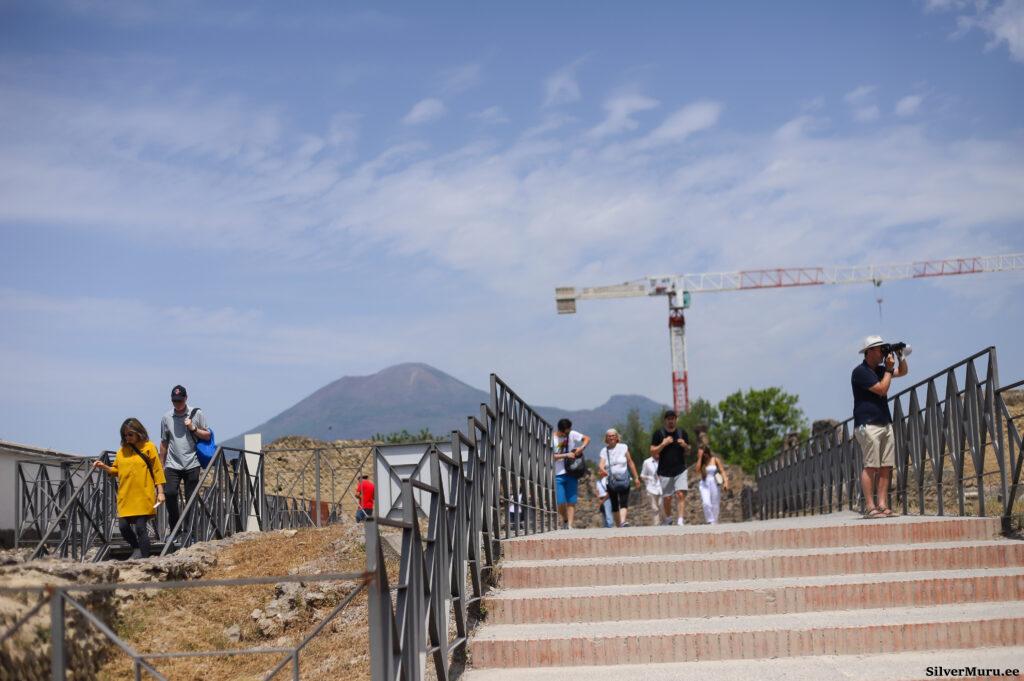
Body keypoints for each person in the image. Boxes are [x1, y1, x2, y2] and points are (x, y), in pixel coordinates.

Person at [852, 335, 908, 519]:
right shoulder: (860, 372)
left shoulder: (881, 370)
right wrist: (889, 369)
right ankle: (870, 507)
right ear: (869, 351)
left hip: (884, 423)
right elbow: (882, 389)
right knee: (871, 466)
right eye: (880, 349)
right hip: (868, 425)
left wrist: (901, 356)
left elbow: (903, 371)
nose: (883, 352)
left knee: (885, 466)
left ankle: (882, 505)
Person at [94, 418, 166, 559]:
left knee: (140, 527)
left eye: (130, 434)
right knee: (123, 526)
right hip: (125, 495)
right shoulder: (122, 451)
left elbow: (157, 470)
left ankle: (144, 558)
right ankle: (136, 548)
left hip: (143, 494)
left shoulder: (149, 447)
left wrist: (160, 492)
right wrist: (104, 466)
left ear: (139, 432)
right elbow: (116, 470)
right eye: (125, 435)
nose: (127, 438)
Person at [159, 385, 210, 535]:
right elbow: (164, 442)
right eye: (175, 401)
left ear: (186, 398)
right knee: (170, 493)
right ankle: (175, 528)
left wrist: (193, 428)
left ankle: (189, 532)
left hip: (192, 462)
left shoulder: (197, 413)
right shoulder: (166, 417)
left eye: (180, 400)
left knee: (191, 498)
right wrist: (161, 464)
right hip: (172, 464)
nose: (177, 404)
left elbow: (207, 435)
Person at [650, 410, 693, 526]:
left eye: (673, 419)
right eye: (669, 419)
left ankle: (680, 520)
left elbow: (689, 451)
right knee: (667, 498)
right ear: (665, 420)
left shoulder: (682, 433)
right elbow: (652, 451)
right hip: (665, 471)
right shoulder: (659, 434)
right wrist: (663, 444)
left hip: (680, 469)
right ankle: (668, 519)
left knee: (680, 494)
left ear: (676, 420)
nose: (671, 421)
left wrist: (685, 445)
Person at [598, 429, 642, 527]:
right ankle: (619, 525)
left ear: (617, 437)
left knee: (623, 501)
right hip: (611, 480)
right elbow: (601, 464)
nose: (611, 437)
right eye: (609, 436)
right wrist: (602, 469)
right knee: (614, 503)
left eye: (613, 435)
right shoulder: (604, 451)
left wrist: (636, 477)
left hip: (624, 478)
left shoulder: (623, 447)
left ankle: (622, 522)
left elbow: (630, 462)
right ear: (606, 438)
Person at [552, 418, 590, 529]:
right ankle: (565, 519)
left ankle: (569, 526)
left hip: (572, 471)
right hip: (557, 473)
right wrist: (566, 455)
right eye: (566, 433)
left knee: (571, 501)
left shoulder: (572, 434)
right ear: (560, 430)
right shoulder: (552, 438)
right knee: (560, 501)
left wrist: (581, 447)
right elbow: (550, 456)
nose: (567, 435)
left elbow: (587, 438)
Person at [696, 445, 729, 524]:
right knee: (706, 503)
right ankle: (710, 520)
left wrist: (726, 482)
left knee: (715, 504)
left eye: (702, 454)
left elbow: (722, 471)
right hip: (704, 483)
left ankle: (714, 521)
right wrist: (700, 458)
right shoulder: (701, 462)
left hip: (714, 482)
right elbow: (697, 471)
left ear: (706, 453)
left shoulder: (715, 460)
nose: (702, 456)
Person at [640, 451, 663, 525]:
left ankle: (665, 522)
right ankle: (656, 524)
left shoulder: (664, 460)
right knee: (654, 507)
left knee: (661, 505)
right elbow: (642, 475)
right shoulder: (647, 462)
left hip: (662, 487)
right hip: (651, 487)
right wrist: (649, 478)